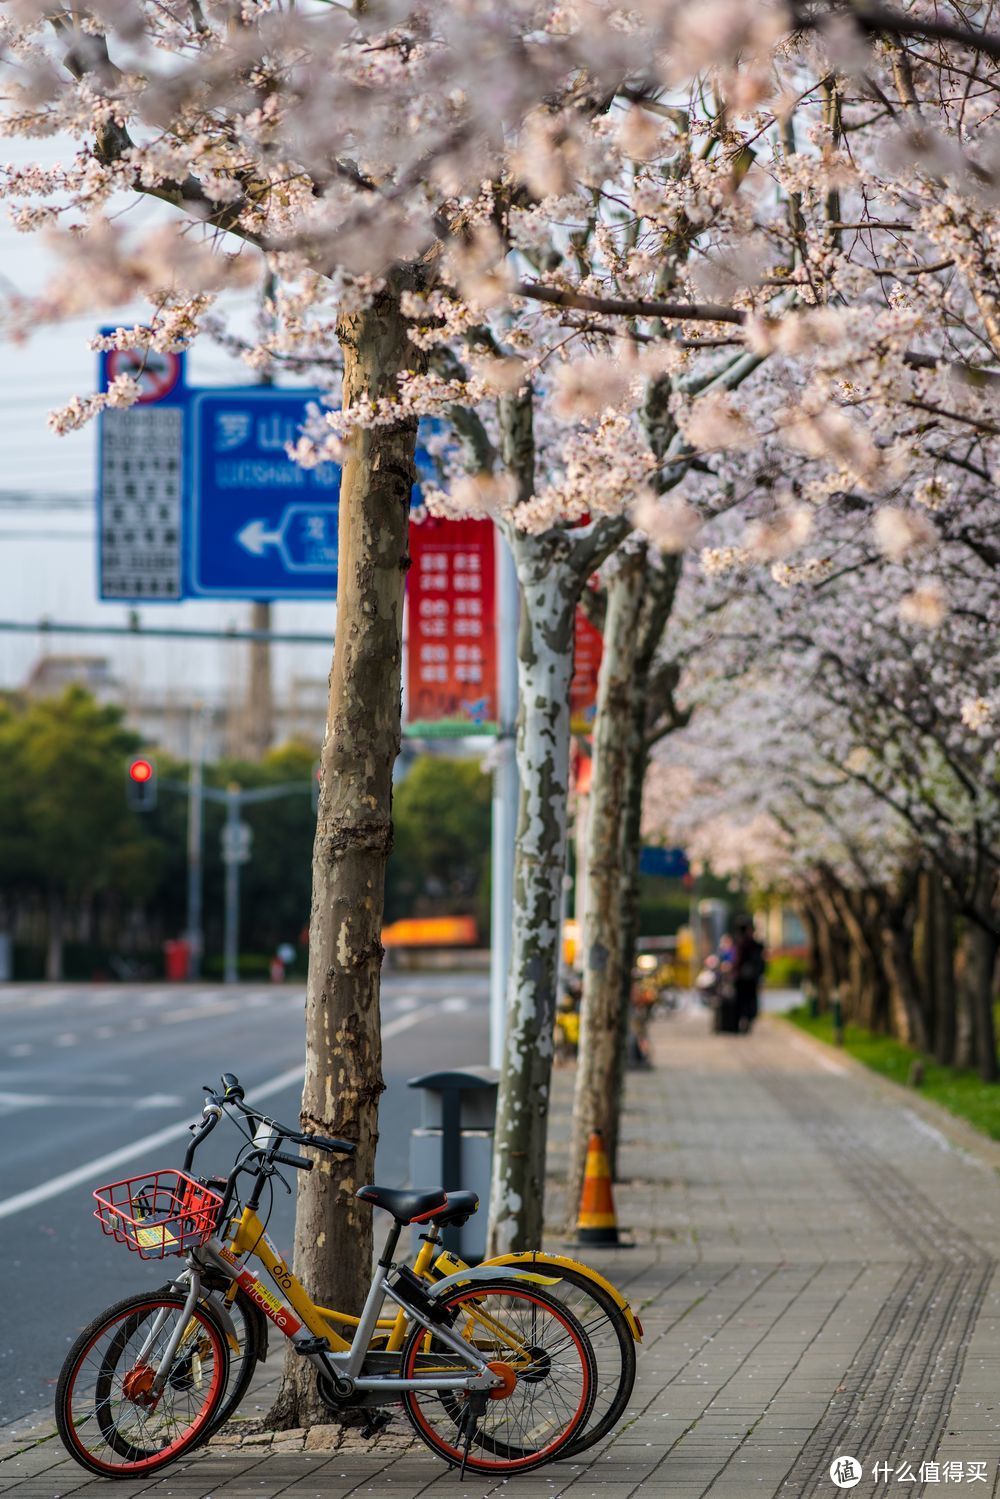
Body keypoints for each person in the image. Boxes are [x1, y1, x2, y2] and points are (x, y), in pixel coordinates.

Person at [732, 916, 765, 1033]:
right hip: (751, 977)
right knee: (750, 1000)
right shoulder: (755, 944)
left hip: (740, 977)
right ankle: (747, 1020)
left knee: (740, 1000)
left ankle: (741, 1020)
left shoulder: (738, 943)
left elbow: (737, 961)